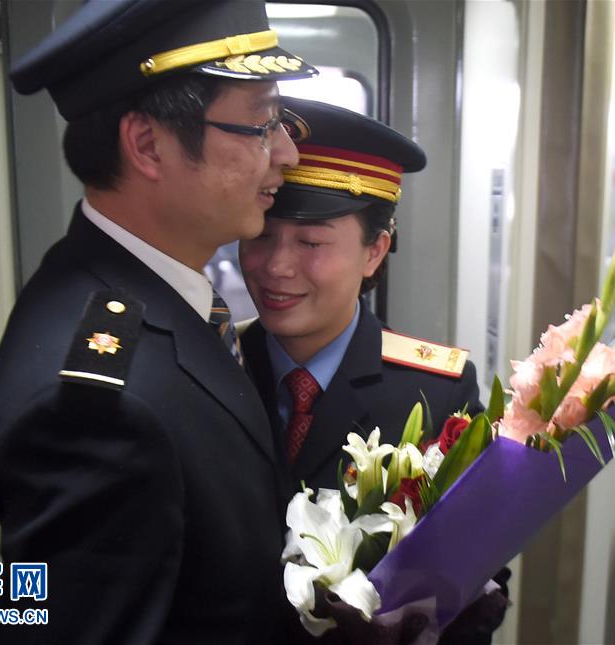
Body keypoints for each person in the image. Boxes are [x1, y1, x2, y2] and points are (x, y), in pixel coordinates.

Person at [0, 1, 316, 643]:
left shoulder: (147, 295)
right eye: (262, 125)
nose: (288, 154)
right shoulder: (98, 414)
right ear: (148, 145)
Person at [238, 98, 508, 644]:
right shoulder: (219, 366)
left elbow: (482, 579)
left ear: (374, 252)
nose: (277, 266)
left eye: (311, 242)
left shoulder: (433, 391)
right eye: (262, 233)